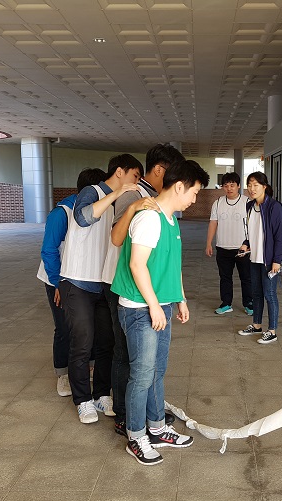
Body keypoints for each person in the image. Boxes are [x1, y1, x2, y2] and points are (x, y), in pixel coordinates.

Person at [111, 159, 209, 465]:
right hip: (140, 309)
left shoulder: (170, 220)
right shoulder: (149, 219)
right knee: (141, 375)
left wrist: (180, 299)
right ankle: (136, 436)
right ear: (179, 186)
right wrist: (154, 306)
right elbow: (136, 265)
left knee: (156, 372)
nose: (194, 199)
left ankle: (157, 428)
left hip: (160, 305)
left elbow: (172, 265)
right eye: (194, 192)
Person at [107, 143, 184, 437]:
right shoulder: (134, 195)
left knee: (147, 366)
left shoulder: (161, 204)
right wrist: (134, 208)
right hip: (131, 289)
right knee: (128, 358)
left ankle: (151, 418)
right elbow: (116, 238)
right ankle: (126, 417)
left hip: (149, 289)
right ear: (161, 170)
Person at [59, 154, 142, 424]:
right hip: (77, 281)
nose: (136, 182)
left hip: (103, 283)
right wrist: (117, 193)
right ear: (119, 172)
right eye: (134, 176)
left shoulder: (120, 202)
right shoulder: (92, 191)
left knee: (107, 342)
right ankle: (82, 400)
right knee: (82, 343)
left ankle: (101, 394)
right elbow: (83, 218)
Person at [37, 167, 105, 397]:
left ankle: (89, 366)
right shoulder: (62, 213)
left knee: (90, 325)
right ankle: (63, 374)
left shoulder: (99, 210)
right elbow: (49, 251)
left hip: (84, 277)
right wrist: (58, 284)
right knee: (65, 327)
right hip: (57, 278)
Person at [237, 171, 282, 344]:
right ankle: (256, 325)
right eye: (249, 185)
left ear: (264, 187)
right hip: (254, 258)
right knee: (256, 293)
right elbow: (252, 231)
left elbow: (279, 235)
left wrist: (277, 260)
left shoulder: (274, 206)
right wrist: (246, 244)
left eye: (255, 185)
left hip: (269, 260)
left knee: (270, 294)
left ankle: (272, 331)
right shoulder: (250, 206)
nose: (252, 189)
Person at [205, 172, 252, 315]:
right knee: (225, 277)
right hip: (223, 247)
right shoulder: (218, 203)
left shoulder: (247, 202)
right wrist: (209, 243)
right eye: (226, 185)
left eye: (232, 185)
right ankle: (226, 303)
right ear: (222, 187)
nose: (229, 188)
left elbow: (253, 225)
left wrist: (251, 244)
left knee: (246, 278)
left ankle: (249, 304)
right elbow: (213, 223)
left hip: (242, 249)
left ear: (238, 186)